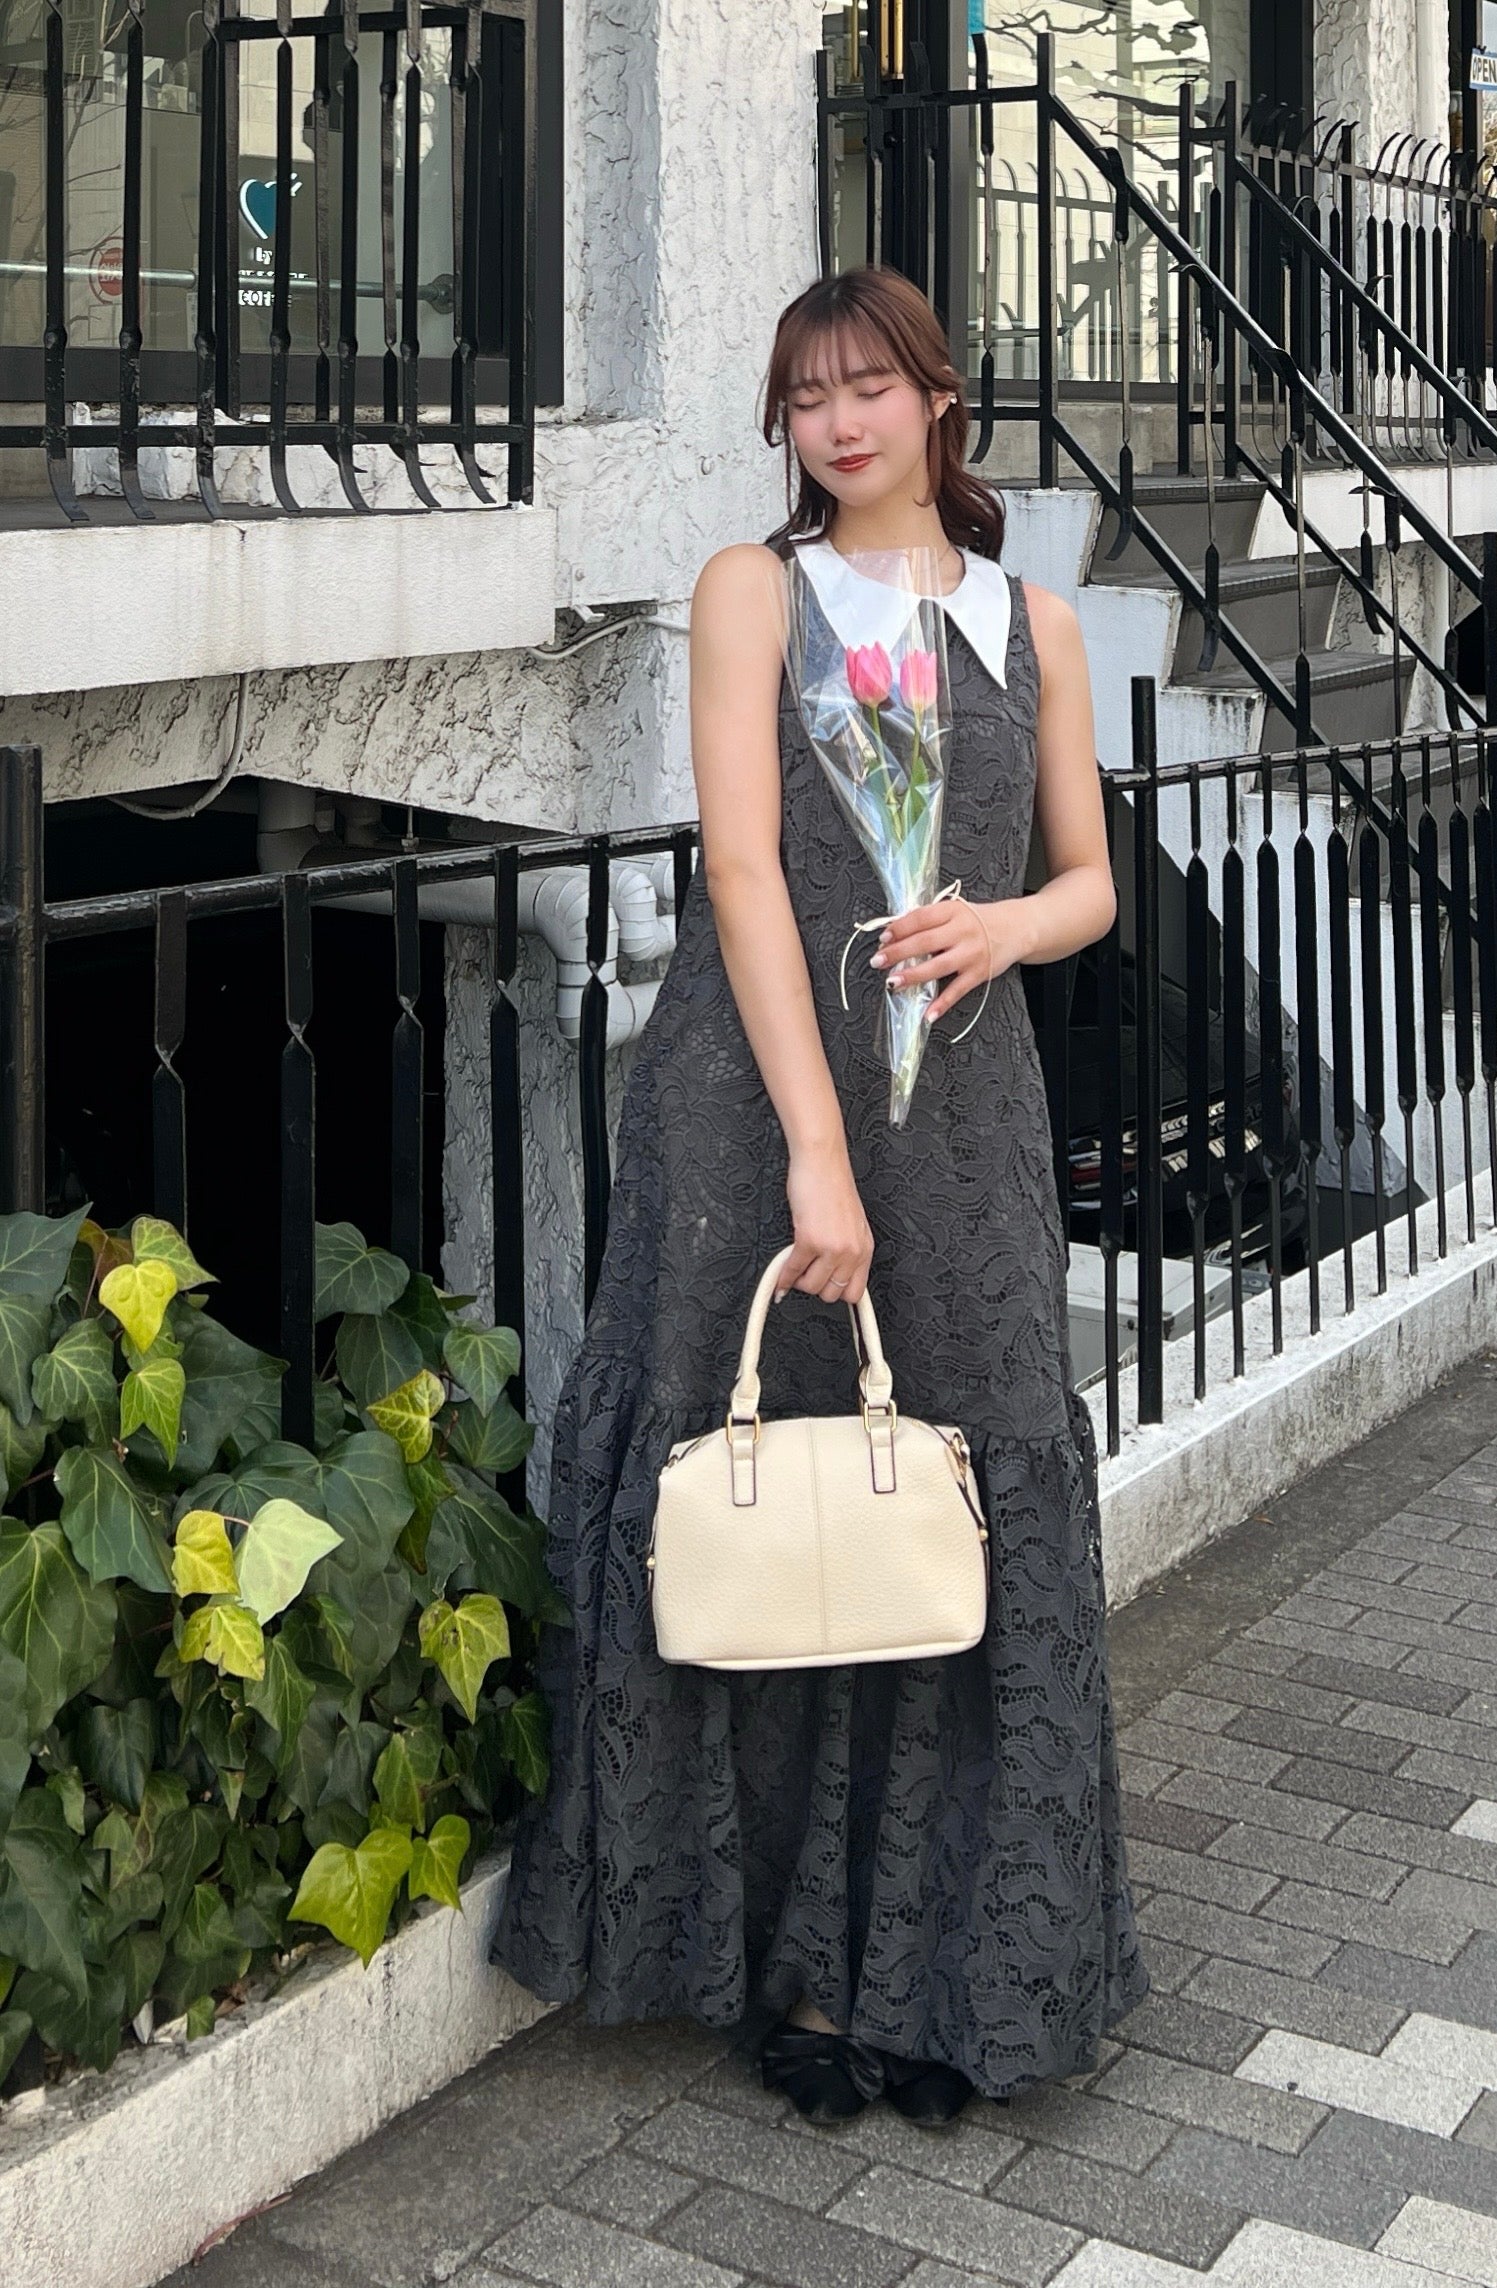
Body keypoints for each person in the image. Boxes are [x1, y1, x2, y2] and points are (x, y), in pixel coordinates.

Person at [493, 265, 1147, 2126]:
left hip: (969, 1122)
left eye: (870, 385)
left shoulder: (1035, 621)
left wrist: (1007, 927)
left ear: (939, 397)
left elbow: (1092, 880)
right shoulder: (752, 593)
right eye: (806, 396)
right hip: (756, 1109)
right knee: (767, 1496)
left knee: (946, 1502)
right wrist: (812, 1148)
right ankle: (784, 1976)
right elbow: (745, 877)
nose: (839, 422)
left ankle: (943, 1973)